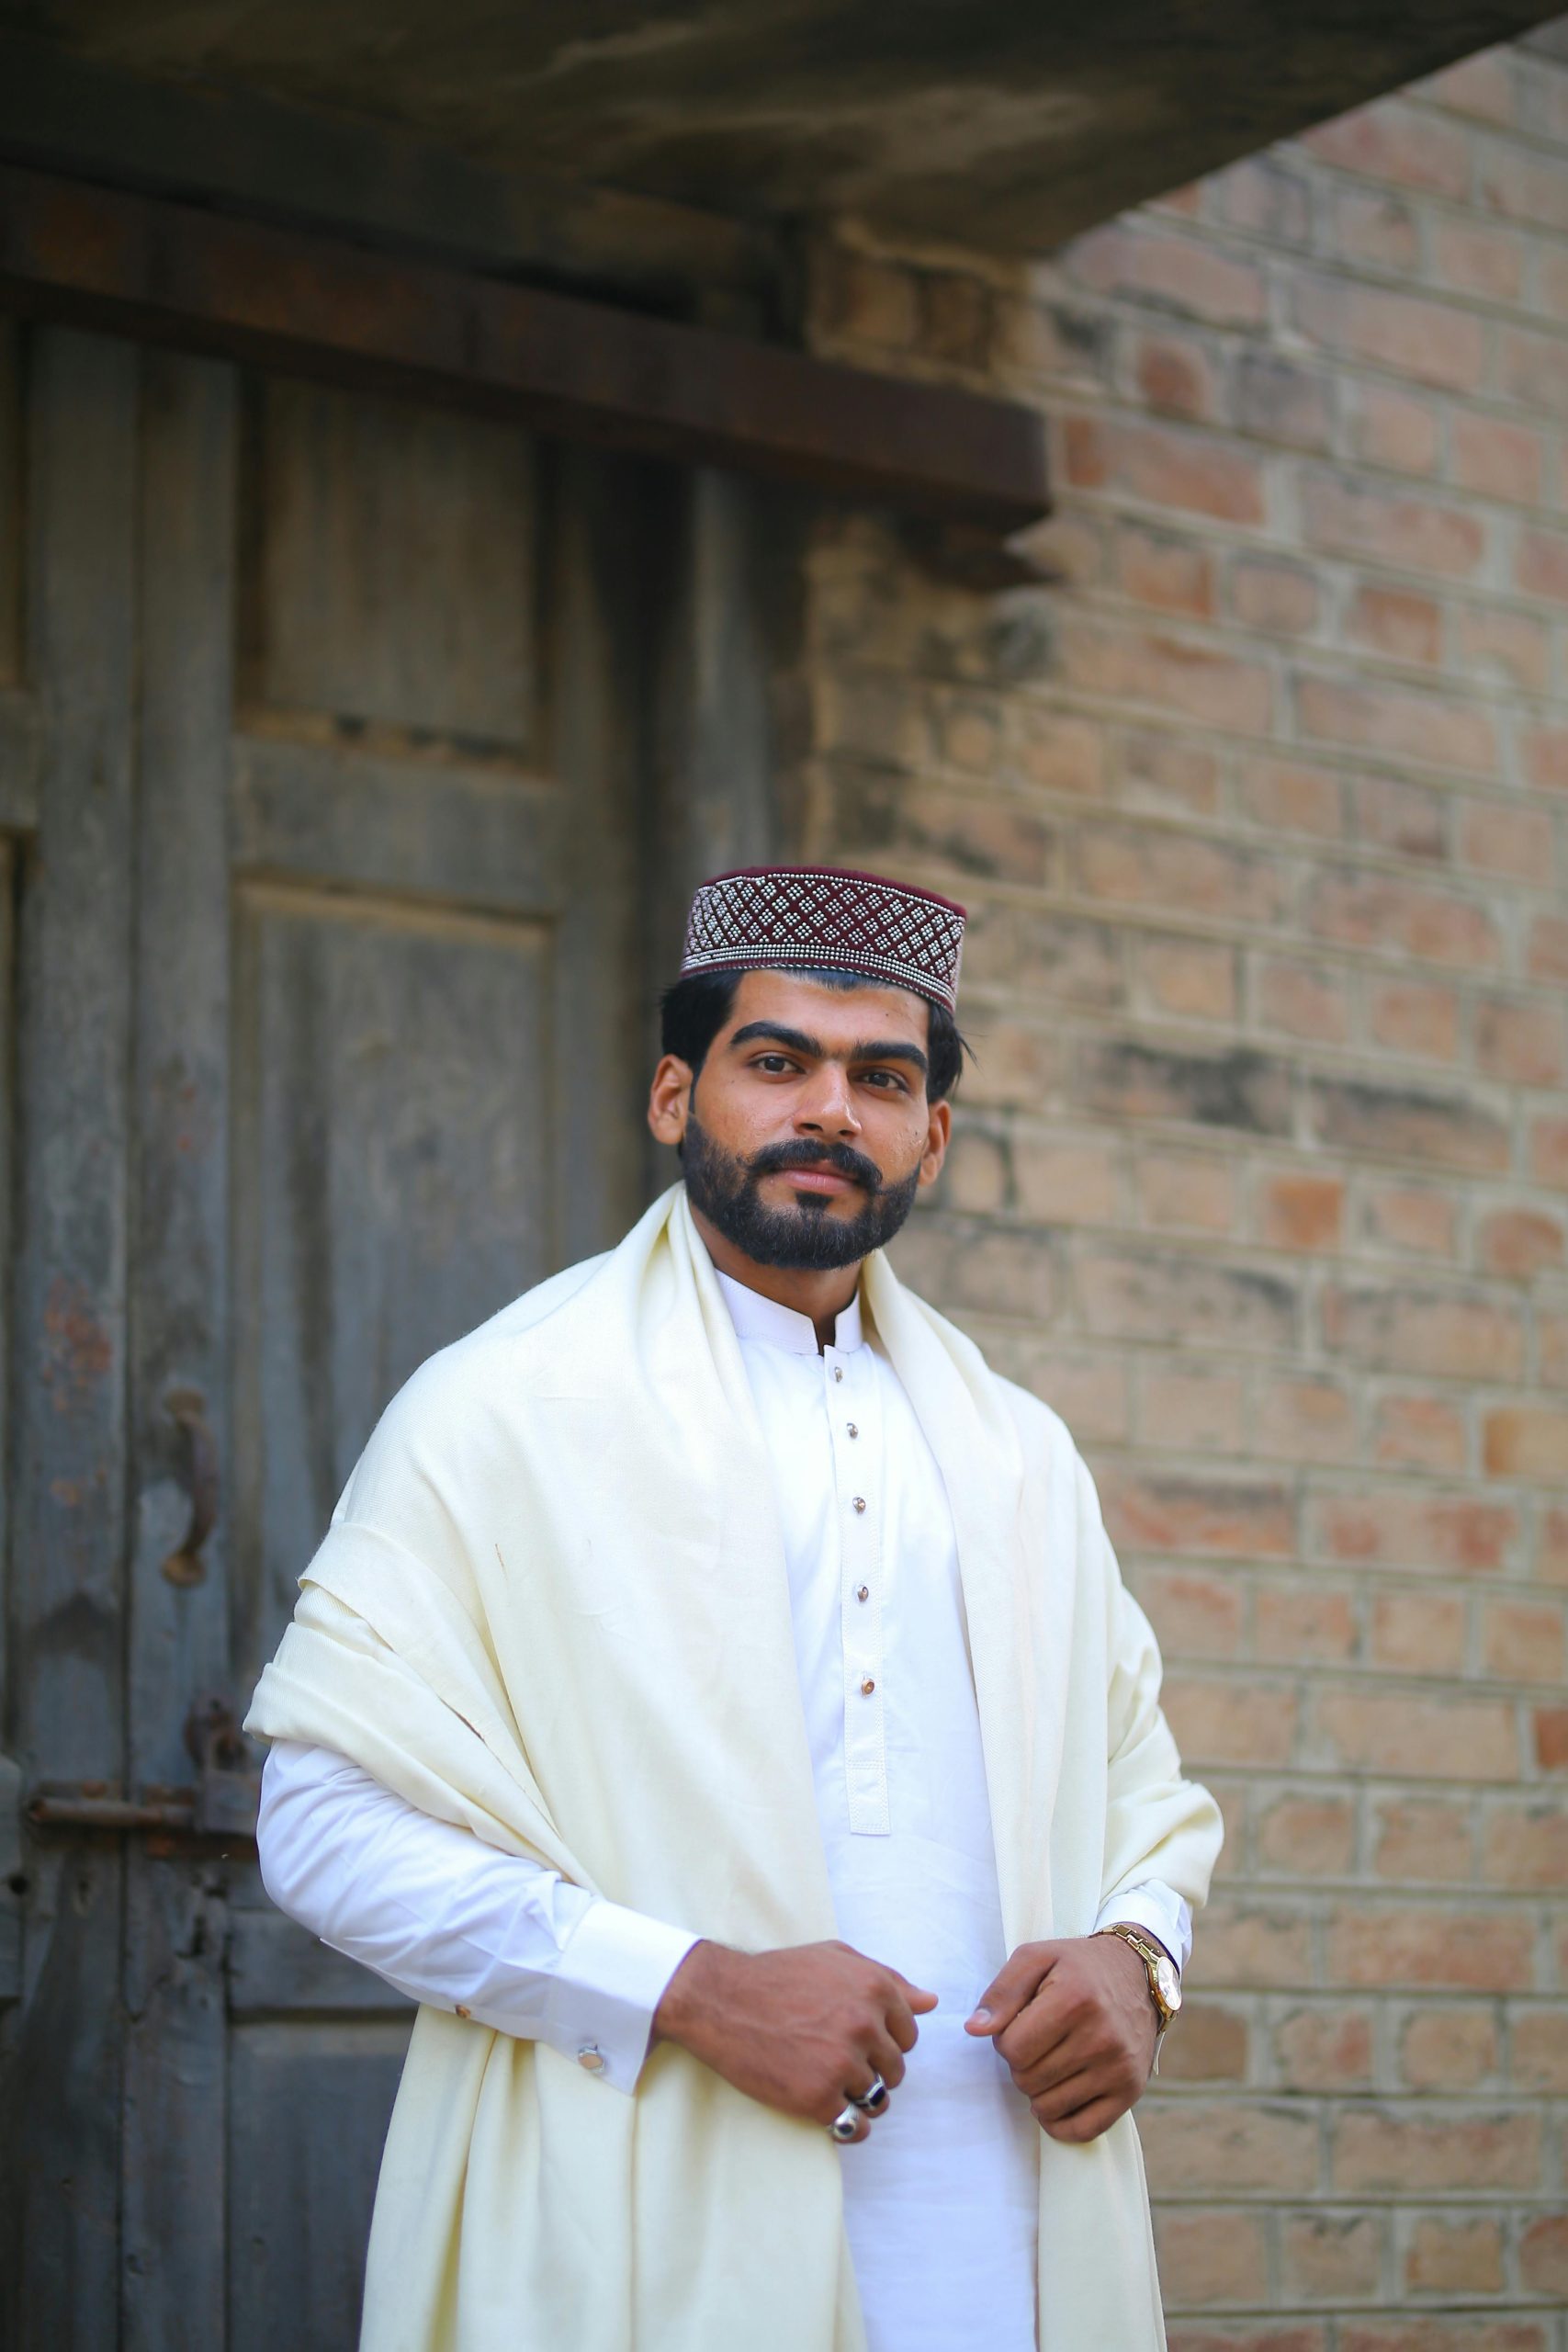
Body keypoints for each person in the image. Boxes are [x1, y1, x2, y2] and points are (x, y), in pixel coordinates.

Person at [248, 863, 1223, 2352]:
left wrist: (1137, 1962)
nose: (829, 1110)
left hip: (1005, 2230)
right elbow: (322, 1827)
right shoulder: (504, 1409)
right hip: (636, 2215)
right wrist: (689, 1990)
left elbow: (1145, 1791)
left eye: (881, 1078)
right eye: (776, 1063)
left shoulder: (1017, 1453)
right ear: (672, 1098)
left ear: (934, 1137)